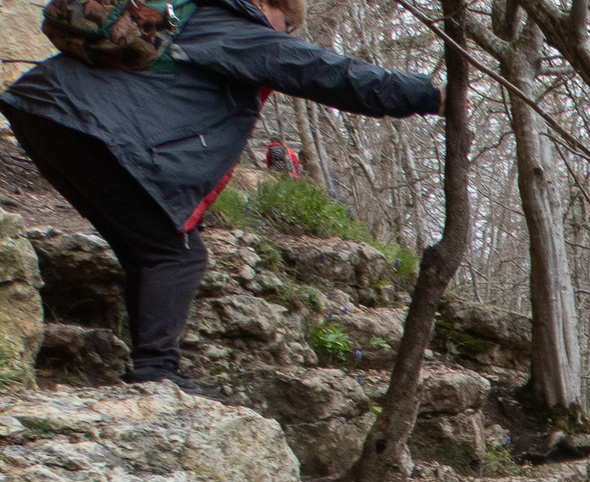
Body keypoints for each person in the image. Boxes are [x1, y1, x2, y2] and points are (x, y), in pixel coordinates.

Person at [1, 0, 439, 391]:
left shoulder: (185, 14)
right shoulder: (240, 30)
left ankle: (153, 368)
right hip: (89, 128)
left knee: (152, 246)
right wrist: (430, 95)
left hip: (41, 111)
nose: (285, 35)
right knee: (175, 255)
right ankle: (155, 374)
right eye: (286, 25)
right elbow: (332, 75)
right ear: (268, 7)